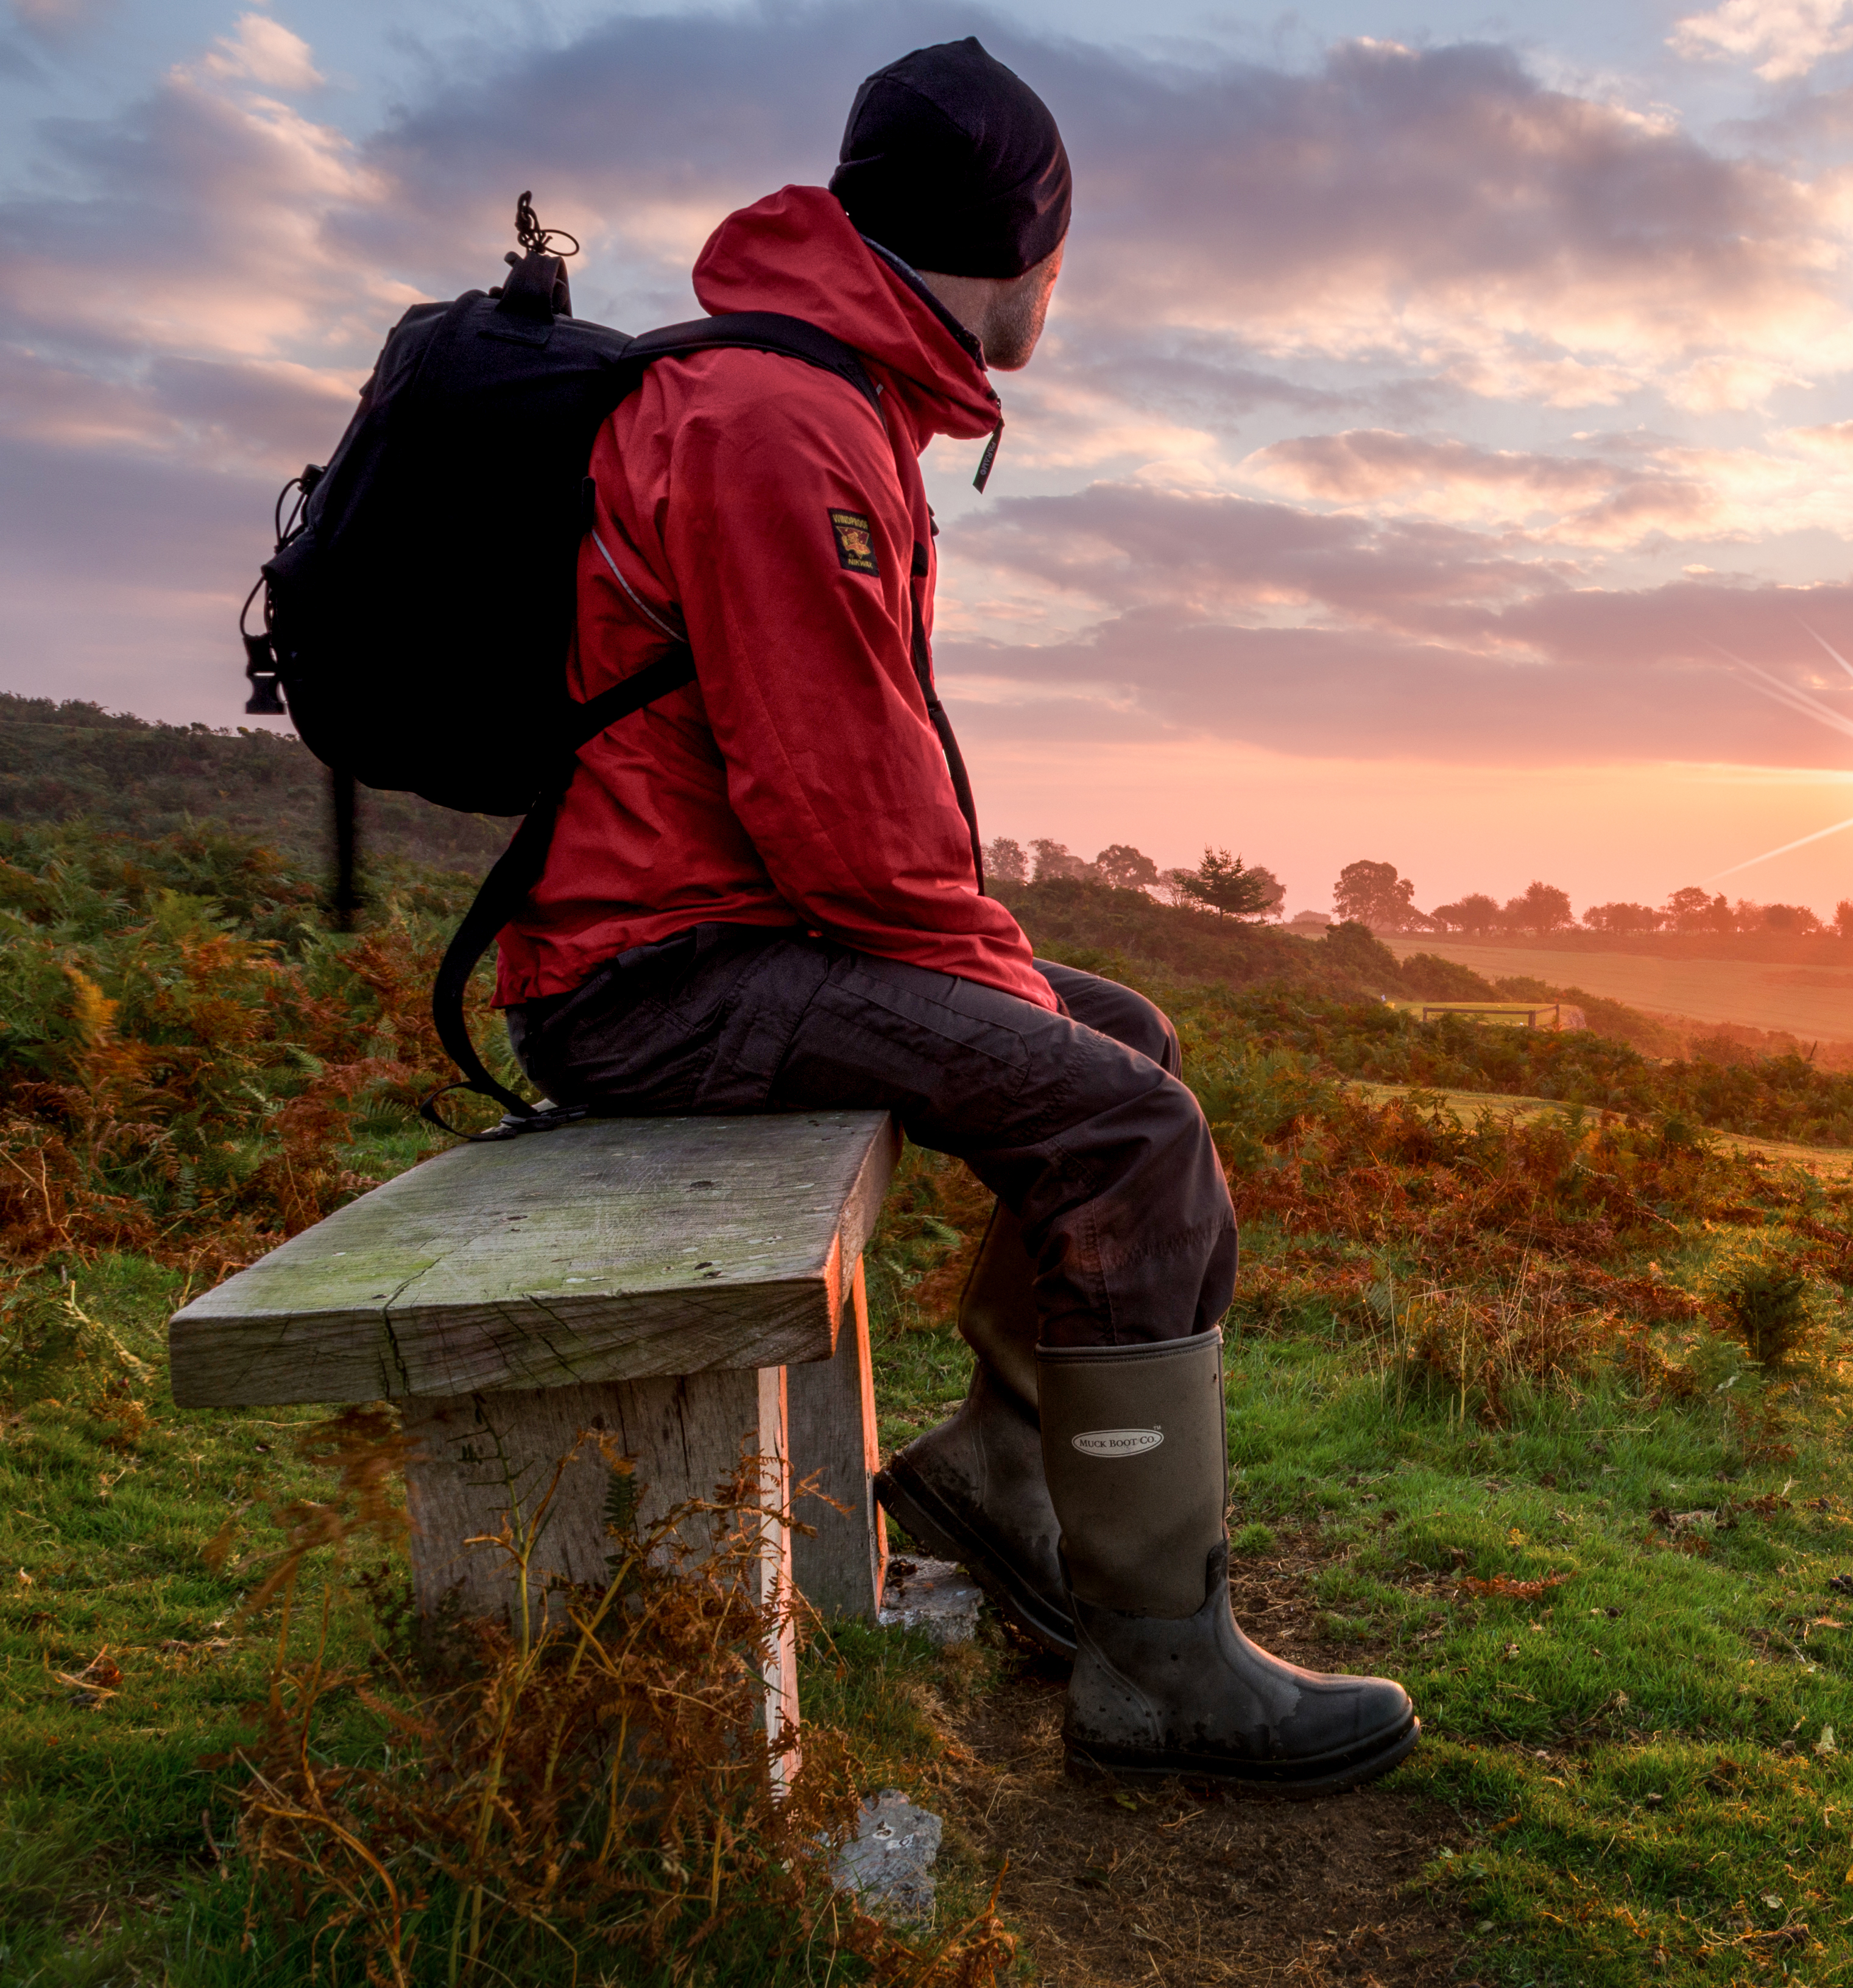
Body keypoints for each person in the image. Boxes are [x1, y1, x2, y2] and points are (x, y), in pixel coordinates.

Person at [496, 38, 1415, 1795]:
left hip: (715, 936)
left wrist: (1019, 990)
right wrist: (1005, 987)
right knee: (1131, 1122)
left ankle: (1003, 1484)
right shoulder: (786, 423)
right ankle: (1159, 1673)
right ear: (1025, 252)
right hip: (661, 974)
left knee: (1123, 1036)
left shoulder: (814, 390)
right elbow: (851, 828)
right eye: (1064, 263)